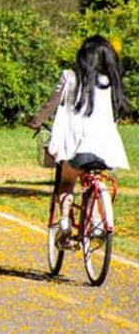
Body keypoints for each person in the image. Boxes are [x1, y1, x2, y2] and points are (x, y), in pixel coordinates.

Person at [29, 35, 129, 246]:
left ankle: (65, 223)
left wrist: (36, 122)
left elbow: (51, 104)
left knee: (66, 182)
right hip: (107, 151)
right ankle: (96, 221)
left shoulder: (70, 77)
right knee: (97, 178)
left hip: (77, 148)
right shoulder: (111, 82)